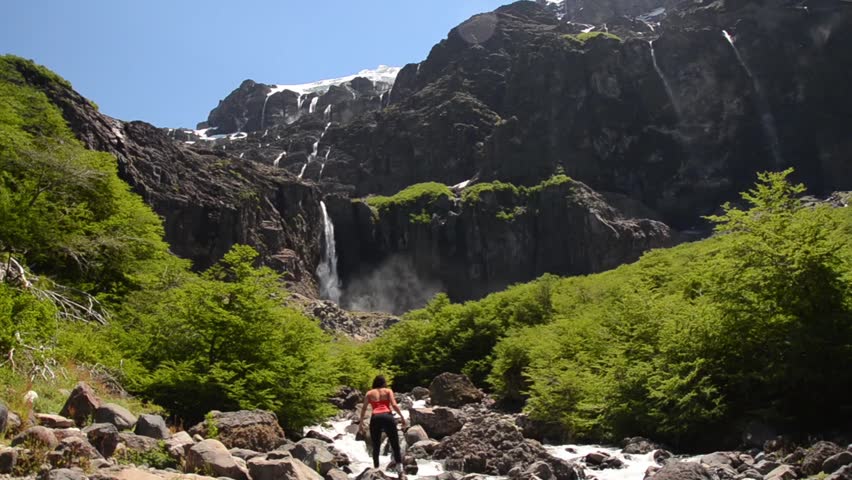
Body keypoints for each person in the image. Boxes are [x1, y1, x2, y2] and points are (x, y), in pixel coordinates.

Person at [358, 375, 406, 475]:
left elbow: (363, 408)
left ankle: (376, 469)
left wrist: (361, 423)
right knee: (394, 443)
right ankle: (399, 469)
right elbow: (394, 405)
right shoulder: (388, 391)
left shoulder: (369, 393)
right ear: (383, 383)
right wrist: (402, 417)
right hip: (387, 416)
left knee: (376, 445)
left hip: (375, 417)